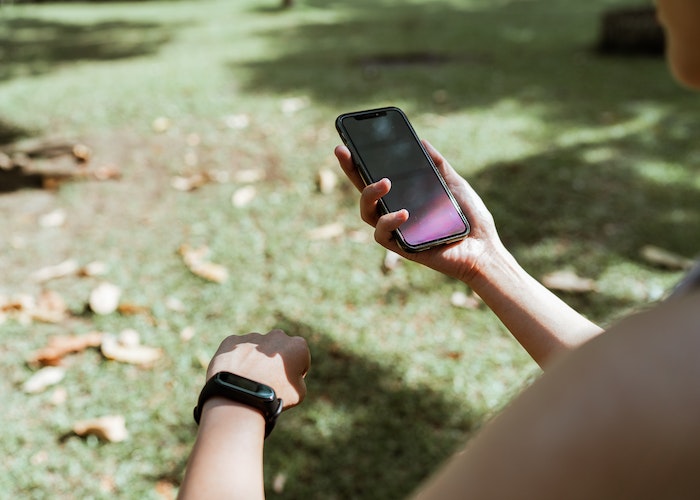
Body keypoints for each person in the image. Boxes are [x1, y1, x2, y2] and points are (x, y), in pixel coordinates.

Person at [178, 1, 699, 497]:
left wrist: (239, 398)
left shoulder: (666, 370)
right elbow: (637, 382)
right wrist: (485, 260)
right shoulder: (668, 371)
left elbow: (647, 389)